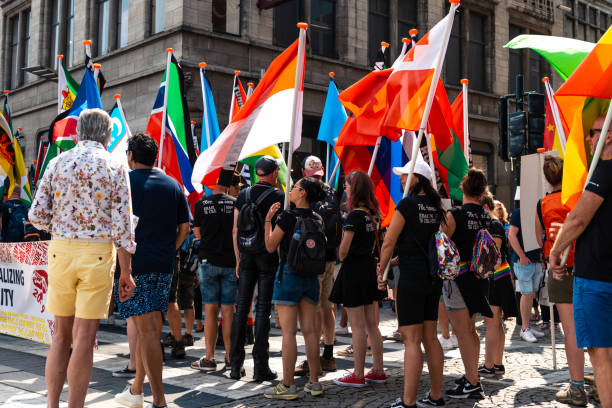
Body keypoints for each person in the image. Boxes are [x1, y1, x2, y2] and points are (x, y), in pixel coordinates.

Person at [29, 109, 136, 408]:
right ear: (107, 134)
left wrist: (61, 225)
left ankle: (52, 404)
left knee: (60, 336)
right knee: (85, 338)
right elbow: (123, 227)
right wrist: (126, 272)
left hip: (61, 250)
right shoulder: (115, 166)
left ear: (77, 132)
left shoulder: (57, 162)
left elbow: (36, 214)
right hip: (98, 252)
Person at [113, 133, 190, 408]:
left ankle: (159, 400)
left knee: (148, 334)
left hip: (134, 266)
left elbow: (120, 230)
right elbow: (185, 228)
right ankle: (136, 390)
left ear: (131, 156)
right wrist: (172, 248)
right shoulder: (173, 185)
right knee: (152, 330)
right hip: (163, 265)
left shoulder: (124, 183)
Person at [377, 161, 445, 408]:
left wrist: (382, 271)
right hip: (432, 277)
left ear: (418, 178)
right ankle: (437, 395)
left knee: (412, 340)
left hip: (411, 277)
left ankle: (408, 401)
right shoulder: (438, 208)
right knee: (431, 337)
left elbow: (388, 241)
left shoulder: (406, 205)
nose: (402, 180)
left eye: (405, 175)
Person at [263, 177, 327, 399]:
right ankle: (314, 382)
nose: (291, 190)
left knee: (288, 333)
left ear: (302, 194)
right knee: (310, 332)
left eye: (296, 187)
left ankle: (288, 385)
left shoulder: (288, 217)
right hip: (311, 277)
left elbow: (271, 246)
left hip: (289, 275)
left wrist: (268, 221)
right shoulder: (318, 218)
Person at [534, 155, 587, 405]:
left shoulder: (541, 204)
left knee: (571, 331)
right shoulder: (577, 199)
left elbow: (539, 237)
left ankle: (577, 387)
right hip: (585, 265)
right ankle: (601, 378)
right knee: (596, 325)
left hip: (559, 269)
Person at [330, 170, 386, 387]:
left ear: (356, 189)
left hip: (354, 271)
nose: (344, 188)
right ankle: (378, 370)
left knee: (358, 327)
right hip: (369, 269)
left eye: (347, 185)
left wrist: (341, 253)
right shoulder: (373, 215)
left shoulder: (354, 216)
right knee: (372, 325)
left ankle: (358, 374)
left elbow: (343, 251)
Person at [440, 168, 493, 399]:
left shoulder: (455, 214)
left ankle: (472, 381)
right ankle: (472, 375)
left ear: (463, 187)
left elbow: (442, 244)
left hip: (459, 278)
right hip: (479, 277)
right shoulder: (485, 215)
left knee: (462, 333)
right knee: (471, 330)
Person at [230, 155, 284, 381]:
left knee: (241, 308)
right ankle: (260, 366)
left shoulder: (243, 195)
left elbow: (235, 230)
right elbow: (281, 232)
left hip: (246, 255)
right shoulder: (279, 196)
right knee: (263, 309)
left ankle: (235, 365)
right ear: (273, 174)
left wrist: (237, 259)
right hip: (268, 256)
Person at [295, 155, 340, 375]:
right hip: (329, 256)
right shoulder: (332, 192)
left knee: (311, 310)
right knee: (326, 306)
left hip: (312, 259)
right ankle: (328, 355)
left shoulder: (305, 192)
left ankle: (312, 361)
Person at [191, 168, 238, 372]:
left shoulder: (201, 205)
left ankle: (209, 357)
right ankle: (229, 356)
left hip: (208, 261)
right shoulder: (236, 203)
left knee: (209, 310)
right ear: (228, 184)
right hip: (230, 262)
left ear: (211, 184)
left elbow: (197, 233)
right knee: (229, 311)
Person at [479, 192, 517, 378]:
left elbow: (493, 252)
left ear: (485, 208)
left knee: (492, 323)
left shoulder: (493, 224)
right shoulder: (494, 224)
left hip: (496, 276)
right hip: (498, 275)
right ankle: (497, 363)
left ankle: (489, 364)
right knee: (496, 323)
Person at [508, 204, 545, 343]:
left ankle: (527, 326)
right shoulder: (519, 212)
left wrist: (541, 258)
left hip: (534, 260)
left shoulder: (538, 213)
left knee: (531, 294)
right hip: (524, 261)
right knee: (527, 294)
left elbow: (540, 236)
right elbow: (511, 235)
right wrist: (522, 256)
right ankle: (524, 328)